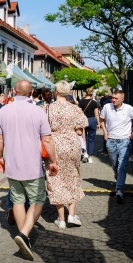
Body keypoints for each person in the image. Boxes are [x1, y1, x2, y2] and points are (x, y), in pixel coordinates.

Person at [0, 80, 58, 260]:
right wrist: (53, 160)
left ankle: (25, 237)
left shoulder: (4, 110)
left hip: (12, 164)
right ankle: (24, 234)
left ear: (14, 92)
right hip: (31, 165)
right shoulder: (38, 111)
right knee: (38, 199)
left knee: (17, 200)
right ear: (31, 93)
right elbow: (47, 141)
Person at [45, 80, 88, 229]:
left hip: (54, 143)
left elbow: (44, 128)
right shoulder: (75, 109)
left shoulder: (48, 108)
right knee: (73, 176)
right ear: (68, 92)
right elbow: (79, 130)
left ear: (55, 92)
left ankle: (61, 219)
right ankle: (71, 214)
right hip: (71, 144)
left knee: (55, 179)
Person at [100, 90, 133, 204]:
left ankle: (119, 191)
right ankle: (119, 180)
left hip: (125, 142)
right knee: (115, 165)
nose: (113, 100)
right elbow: (101, 119)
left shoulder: (128, 108)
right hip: (111, 141)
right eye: (112, 98)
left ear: (122, 99)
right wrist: (104, 132)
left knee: (121, 167)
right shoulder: (107, 107)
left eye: (115, 98)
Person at [78, 88, 100, 164]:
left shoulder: (81, 102)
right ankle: (90, 157)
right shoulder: (94, 102)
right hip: (92, 121)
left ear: (86, 93)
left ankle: (85, 154)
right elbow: (96, 114)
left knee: (84, 139)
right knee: (91, 139)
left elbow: (79, 113)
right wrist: (98, 123)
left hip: (83, 121)